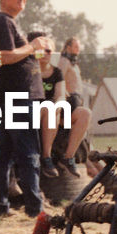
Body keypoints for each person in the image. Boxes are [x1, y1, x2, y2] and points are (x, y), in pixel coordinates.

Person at [0, 0, 48, 219]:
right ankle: (35, 208)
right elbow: (6, 56)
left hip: (13, 95)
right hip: (18, 97)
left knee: (5, 153)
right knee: (28, 151)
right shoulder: (2, 20)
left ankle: (0, 206)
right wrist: (32, 46)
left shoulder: (9, 22)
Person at [31, 30, 90, 177]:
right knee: (50, 107)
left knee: (84, 113)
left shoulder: (56, 71)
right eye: (41, 51)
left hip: (54, 111)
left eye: (48, 51)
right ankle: (46, 156)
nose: (45, 54)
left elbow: (60, 94)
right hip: (36, 111)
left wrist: (59, 105)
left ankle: (68, 157)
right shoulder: (30, 70)